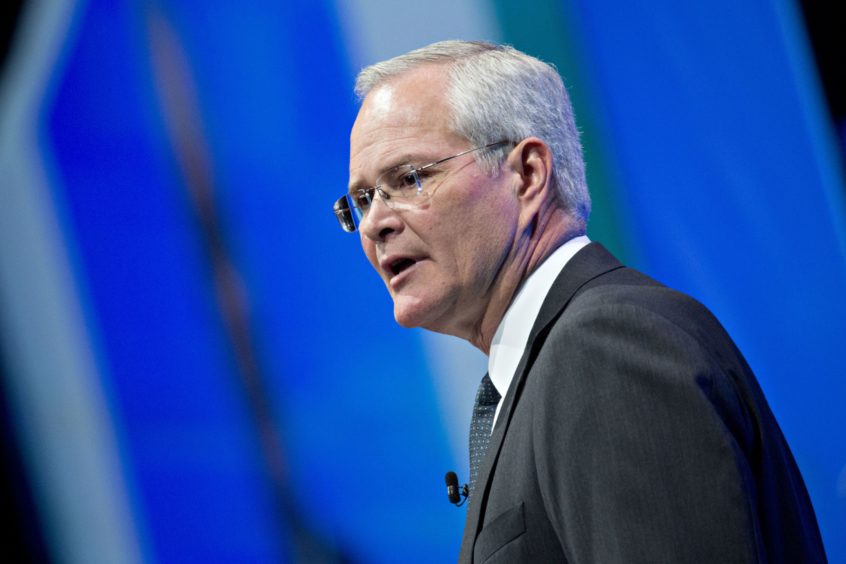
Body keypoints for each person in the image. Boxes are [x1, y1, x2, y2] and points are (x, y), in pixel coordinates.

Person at [332, 40, 826, 563]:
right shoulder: (551, 366)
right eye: (361, 201)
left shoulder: (606, 349)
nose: (375, 225)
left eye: (410, 178)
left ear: (527, 175)